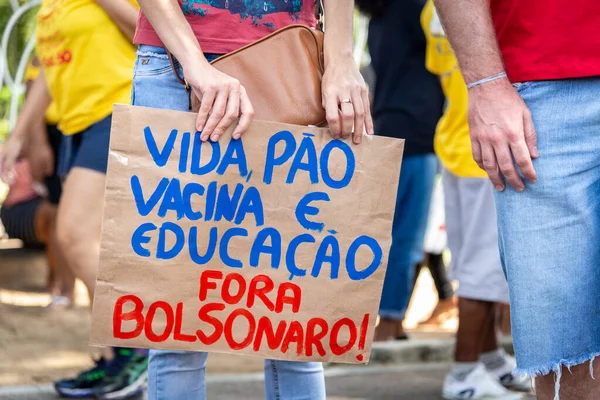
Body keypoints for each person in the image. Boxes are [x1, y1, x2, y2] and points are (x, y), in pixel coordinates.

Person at [132, 0, 373, 398]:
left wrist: (341, 59)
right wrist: (196, 65)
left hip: (292, 55)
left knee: (298, 321)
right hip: (175, 64)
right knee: (176, 323)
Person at [433, 0, 600, 398]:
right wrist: (484, 83)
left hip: (539, 92)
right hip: (544, 86)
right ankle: (469, 369)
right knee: (568, 356)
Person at [0, 0, 149, 398]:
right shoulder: (52, 7)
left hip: (118, 111)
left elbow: (151, 31)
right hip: (76, 125)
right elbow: (50, 73)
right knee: (90, 244)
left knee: (73, 236)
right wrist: (17, 137)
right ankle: (121, 354)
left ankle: (137, 351)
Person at [421, 2, 530, 398]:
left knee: (471, 263)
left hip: (455, 138)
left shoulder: (431, 11)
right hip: (490, 146)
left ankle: (490, 360)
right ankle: (464, 373)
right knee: (484, 272)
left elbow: (441, 72)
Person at [356, 0, 445, 341]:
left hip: (387, 126)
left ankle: (382, 318)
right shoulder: (414, 8)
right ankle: (389, 322)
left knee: (384, 234)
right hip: (418, 132)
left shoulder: (377, 14)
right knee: (406, 237)